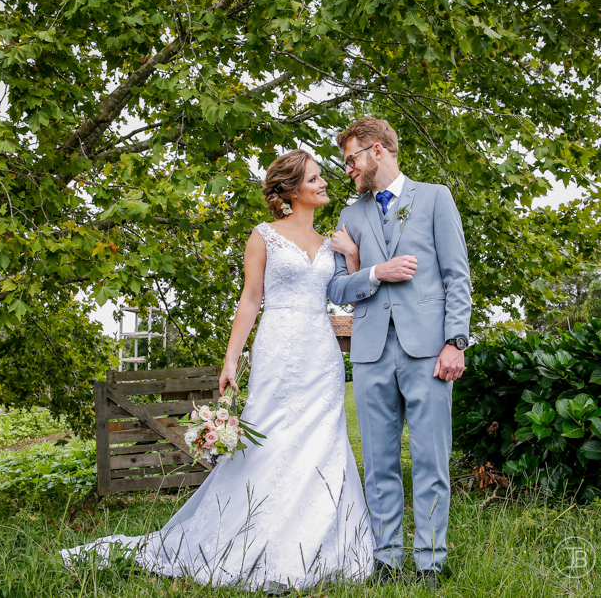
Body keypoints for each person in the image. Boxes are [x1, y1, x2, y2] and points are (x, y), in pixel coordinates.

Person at [61, 150, 374, 592]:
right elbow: (250, 299)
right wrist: (232, 359)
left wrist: (354, 256)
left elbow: (348, 295)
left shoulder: (332, 242)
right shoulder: (264, 236)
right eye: (314, 178)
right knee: (268, 439)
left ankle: (321, 541)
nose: (324, 183)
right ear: (290, 190)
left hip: (321, 354)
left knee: (324, 439)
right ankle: (252, 533)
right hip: (278, 347)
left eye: (322, 176)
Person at [326, 117, 472, 590]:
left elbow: (457, 277)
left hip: (428, 351)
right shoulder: (350, 216)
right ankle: (386, 559)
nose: (348, 169)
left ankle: (430, 562)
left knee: (431, 460)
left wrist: (455, 341)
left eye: (351, 158)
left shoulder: (435, 198)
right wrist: (374, 272)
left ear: (378, 150)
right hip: (370, 353)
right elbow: (336, 288)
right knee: (379, 463)